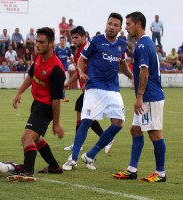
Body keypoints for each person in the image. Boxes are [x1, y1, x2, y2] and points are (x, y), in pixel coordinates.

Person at [72, 13, 133, 170]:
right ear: (106, 25)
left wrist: (132, 77)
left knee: (118, 124)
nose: (111, 27)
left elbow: (123, 65)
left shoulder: (121, 44)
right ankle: (73, 159)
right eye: (109, 24)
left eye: (115, 25)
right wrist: (81, 72)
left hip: (113, 89)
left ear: (120, 29)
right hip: (94, 87)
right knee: (86, 121)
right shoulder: (95, 41)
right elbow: (81, 60)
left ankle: (90, 154)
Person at [113, 11, 166, 183]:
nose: (126, 27)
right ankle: (132, 169)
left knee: (154, 133)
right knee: (135, 130)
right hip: (147, 96)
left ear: (138, 24)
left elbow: (144, 72)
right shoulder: (144, 43)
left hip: (150, 96)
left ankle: (160, 173)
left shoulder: (143, 45)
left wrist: (139, 97)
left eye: (128, 24)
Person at [7, 27, 65, 182]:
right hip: (37, 103)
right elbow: (31, 76)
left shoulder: (56, 69)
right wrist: (19, 93)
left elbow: (56, 100)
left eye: (41, 42)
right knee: (36, 139)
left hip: (46, 108)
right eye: (36, 41)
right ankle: (54, 167)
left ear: (51, 44)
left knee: (27, 138)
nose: (37, 45)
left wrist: (57, 124)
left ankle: (28, 172)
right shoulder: (39, 58)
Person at [62, 26, 107, 171]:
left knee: (86, 118)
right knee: (82, 114)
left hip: (92, 89)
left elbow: (92, 68)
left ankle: (102, 141)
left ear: (84, 37)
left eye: (76, 37)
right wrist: (69, 82)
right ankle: (80, 149)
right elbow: (78, 70)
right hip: (87, 90)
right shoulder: (77, 52)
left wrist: (88, 84)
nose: (74, 40)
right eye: (72, 38)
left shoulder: (87, 49)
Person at [55, 35, 74, 102]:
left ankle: (63, 96)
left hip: (65, 69)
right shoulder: (57, 49)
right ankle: (61, 96)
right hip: (58, 69)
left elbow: (71, 57)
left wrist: (75, 64)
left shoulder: (67, 49)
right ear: (59, 42)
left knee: (65, 84)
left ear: (66, 42)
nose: (62, 42)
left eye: (63, 41)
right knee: (58, 83)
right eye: (61, 41)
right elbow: (54, 58)